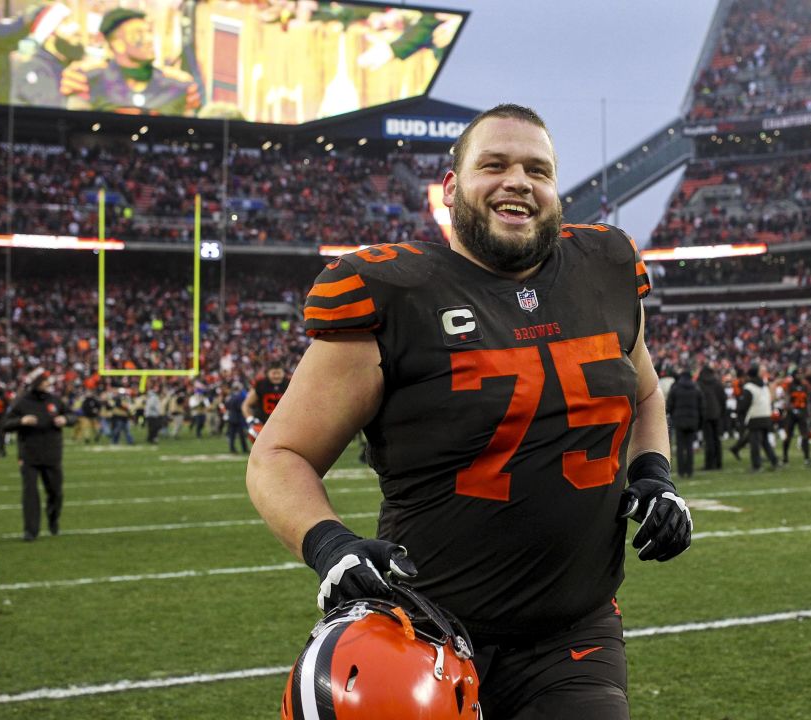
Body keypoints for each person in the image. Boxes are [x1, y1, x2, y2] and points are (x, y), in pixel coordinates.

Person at [246, 104, 691, 719]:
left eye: (538, 169)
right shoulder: (394, 294)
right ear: (452, 188)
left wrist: (654, 474)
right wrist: (328, 544)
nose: (518, 181)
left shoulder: (606, 267)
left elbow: (643, 393)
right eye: (495, 164)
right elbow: (279, 453)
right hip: (421, 636)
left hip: (575, 634)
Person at [62, 9, 201, 116]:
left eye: (149, 32)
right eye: (139, 34)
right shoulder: (87, 80)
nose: (149, 40)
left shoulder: (178, 85)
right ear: (117, 44)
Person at [1, 368, 71, 541]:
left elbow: (70, 414)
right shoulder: (22, 402)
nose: (48, 384)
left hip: (52, 454)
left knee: (56, 492)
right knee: (30, 494)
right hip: (29, 454)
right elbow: (5, 424)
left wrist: (66, 420)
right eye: (45, 381)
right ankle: (31, 531)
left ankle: (53, 519)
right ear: (37, 383)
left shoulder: (55, 400)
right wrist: (21, 421)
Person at [734, 365, 779, 472]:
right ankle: (774, 461)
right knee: (765, 442)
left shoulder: (749, 387)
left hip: (755, 416)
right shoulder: (763, 385)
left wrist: (739, 412)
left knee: (755, 443)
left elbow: (745, 404)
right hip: (766, 415)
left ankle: (756, 465)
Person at [242, 363, 290, 444]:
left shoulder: (290, 383)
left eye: (279, 373)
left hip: (284, 424)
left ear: (283, 373)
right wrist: (250, 419)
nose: (276, 376)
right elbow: (246, 405)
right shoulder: (261, 384)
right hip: (264, 424)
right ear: (268, 373)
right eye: (274, 373)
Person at [666, 369, 701, 478]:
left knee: (680, 447)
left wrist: (673, 416)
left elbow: (669, 405)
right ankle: (689, 470)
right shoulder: (696, 389)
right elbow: (701, 406)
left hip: (679, 420)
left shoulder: (675, 389)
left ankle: (681, 471)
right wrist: (699, 421)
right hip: (692, 421)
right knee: (689, 446)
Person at [779, 370, 811, 467]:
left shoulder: (805, 386)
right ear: (793, 376)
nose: (800, 376)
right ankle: (785, 458)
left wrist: (809, 413)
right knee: (788, 437)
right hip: (791, 414)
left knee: (805, 436)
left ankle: (807, 458)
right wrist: (791, 409)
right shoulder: (789, 386)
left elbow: (808, 400)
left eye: (801, 374)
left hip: (802, 413)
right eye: (797, 374)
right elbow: (786, 398)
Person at [697, 366, 725, 470]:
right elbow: (723, 399)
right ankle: (718, 463)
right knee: (717, 439)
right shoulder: (717, 383)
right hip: (717, 414)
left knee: (708, 440)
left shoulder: (700, 384)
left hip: (706, 414)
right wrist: (721, 412)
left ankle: (709, 464)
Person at [224, 384, 249, 454]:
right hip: (238, 418)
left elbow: (226, 405)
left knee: (232, 435)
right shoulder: (239, 397)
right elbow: (240, 407)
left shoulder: (230, 397)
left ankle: (232, 448)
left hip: (231, 417)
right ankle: (244, 448)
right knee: (241, 435)